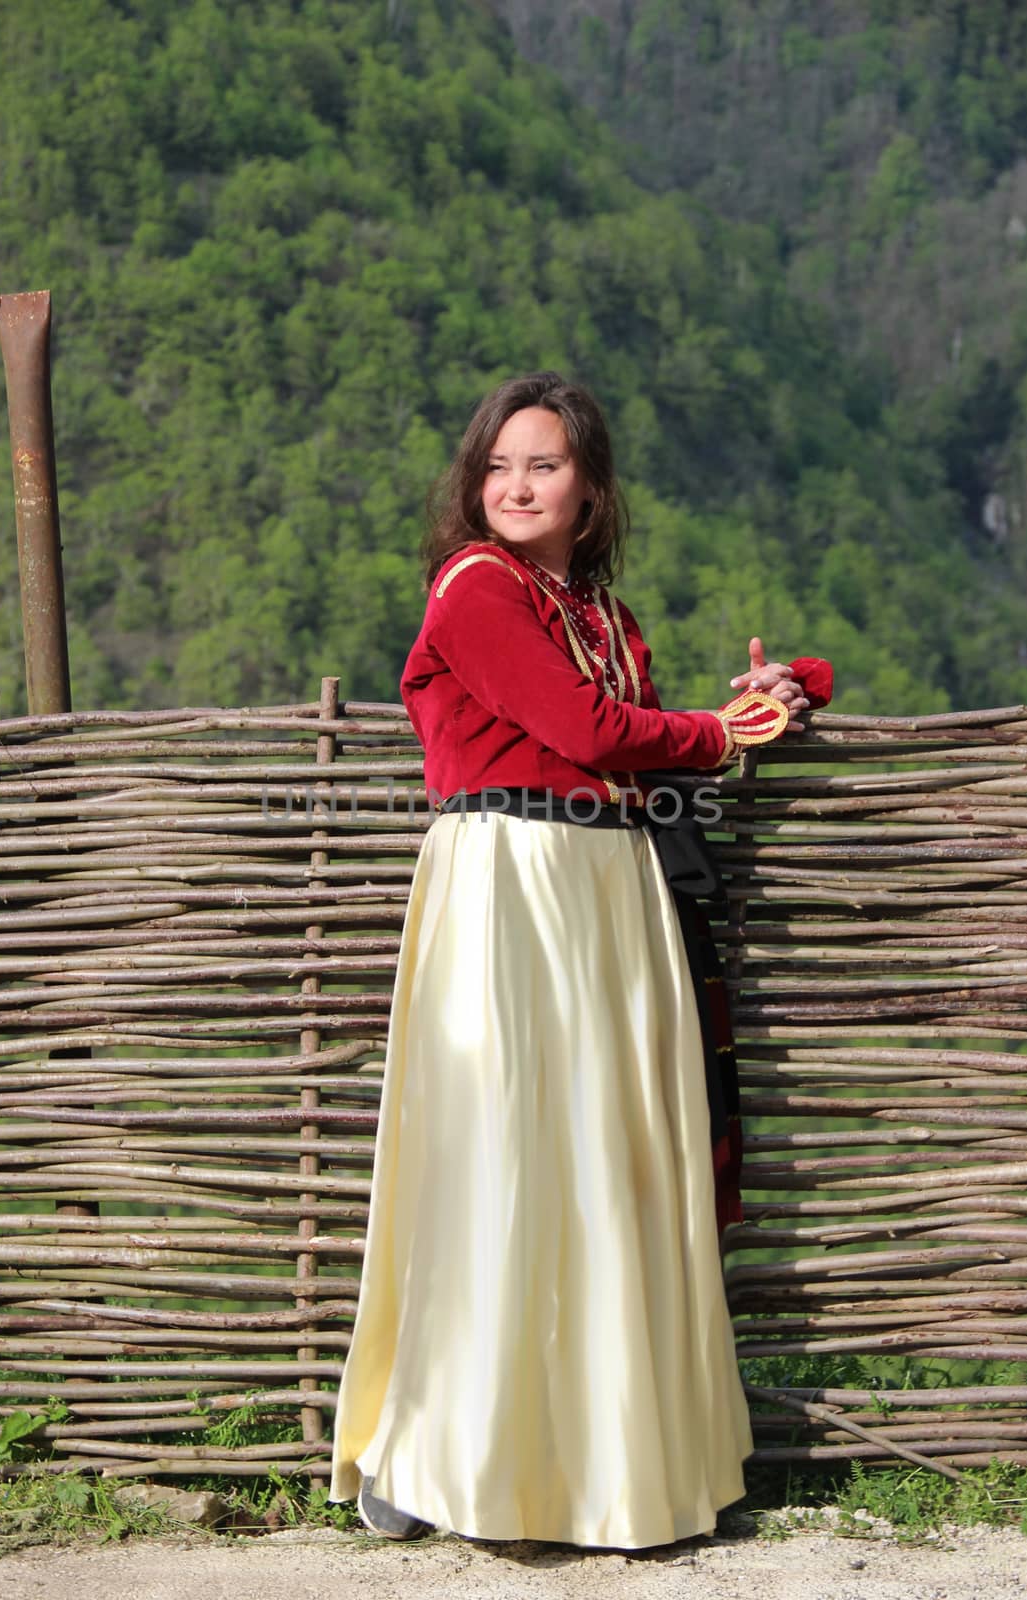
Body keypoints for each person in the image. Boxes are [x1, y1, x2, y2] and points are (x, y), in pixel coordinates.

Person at [328, 372, 832, 1550]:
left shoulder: (599, 612)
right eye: (498, 465)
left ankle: (604, 1462)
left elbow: (638, 738)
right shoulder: (475, 591)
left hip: (610, 893)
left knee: (605, 1169)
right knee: (497, 1158)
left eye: (543, 465)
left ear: (589, 487)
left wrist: (771, 695)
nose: (515, 484)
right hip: (512, 891)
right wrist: (722, 733)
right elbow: (592, 732)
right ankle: (439, 1455)